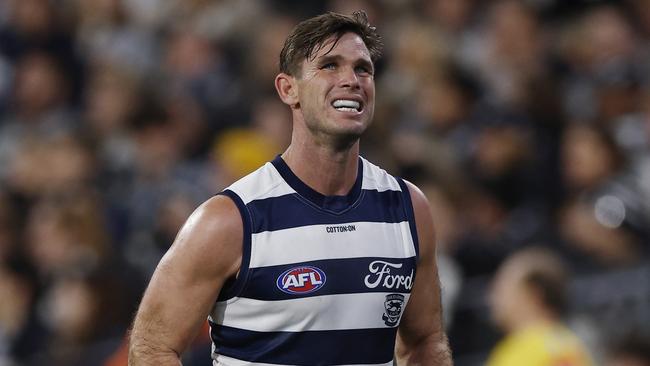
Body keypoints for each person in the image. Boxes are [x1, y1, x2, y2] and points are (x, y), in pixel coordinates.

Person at [128, 11, 452, 366]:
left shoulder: (408, 208)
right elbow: (152, 348)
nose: (351, 79)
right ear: (288, 89)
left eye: (363, 69)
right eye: (330, 65)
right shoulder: (229, 220)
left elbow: (425, 342)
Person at [486, 246, 593, 366]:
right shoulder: (567, 344)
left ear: (534, 293)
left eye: (502, 288)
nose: (493, 297)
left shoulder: (542, 349)